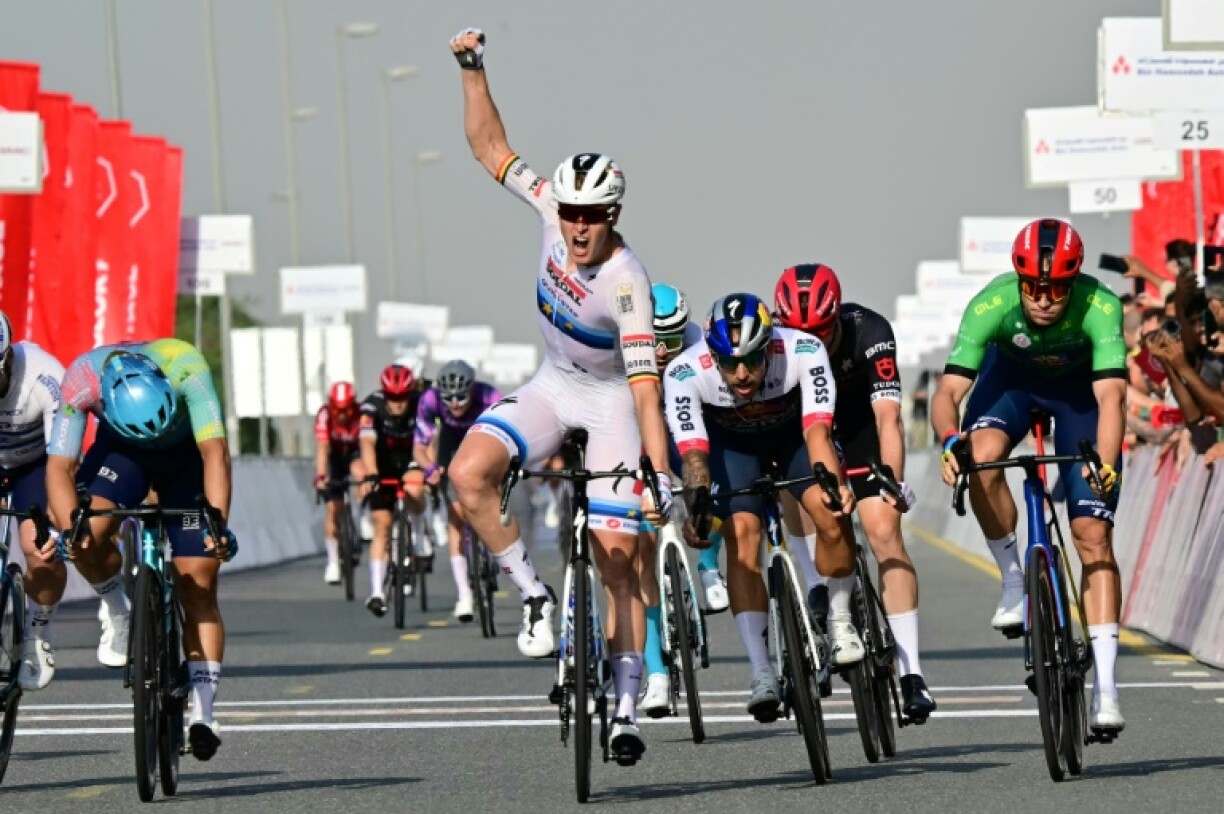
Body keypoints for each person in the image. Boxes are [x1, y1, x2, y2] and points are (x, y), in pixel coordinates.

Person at [445, 27, 674, 763]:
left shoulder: (628, 285)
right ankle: (534, 596)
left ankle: (630, 703)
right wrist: (472, 69)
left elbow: (645, 390)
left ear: (613, 215)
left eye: (592, 216)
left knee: (616, 556)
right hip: (551, 385)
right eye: (570, 213)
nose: (576, 227)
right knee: (466, 474)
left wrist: (657, 473)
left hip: (610, 404)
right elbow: (488, 148)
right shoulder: (549, 205)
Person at [930, 218, 1128, 733]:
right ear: (1018, 280)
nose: (1043, 299)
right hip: (1011, 385)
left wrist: (1103, 465)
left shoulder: (1102, 307)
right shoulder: (990, 305)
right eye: (1034, 288)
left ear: (1073, 281)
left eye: (1056, 288)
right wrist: (951, 441)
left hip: (1078, 395)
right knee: (982, 455)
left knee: (1093, 539)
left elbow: (1112, 399)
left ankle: (1106, 688)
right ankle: (1014, 578)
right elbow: (947, 393)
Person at [664, 293, 858, 724]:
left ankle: (841, 617)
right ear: (712, 355)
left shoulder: (802, 351)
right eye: (729, 363)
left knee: (829, 513)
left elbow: (818, 433)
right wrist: (697, 508)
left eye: (752, 359)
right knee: (742, 537)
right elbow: (695, 457)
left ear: (770, 345)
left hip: (795, 438)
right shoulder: (684, 371)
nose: (742, 373)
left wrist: (834, 484)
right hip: (732, 449)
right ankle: (761, 670)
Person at [45, 338, 236, 760]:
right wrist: (67, 531)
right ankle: (118, 606)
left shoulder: (187, 367)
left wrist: (217, 525)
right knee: (86, 535)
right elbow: (60, 465)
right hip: (123, 453)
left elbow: (215, 452)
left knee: (198, 580)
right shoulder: (82, 379)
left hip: (186, 456)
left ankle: (204, 714)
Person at [773, 263, 936, 720]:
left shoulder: (870, 330)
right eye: (799, 332)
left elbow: (888, 418)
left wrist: (893, 482)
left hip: (861, 426)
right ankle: (816, 591)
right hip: (807, 430)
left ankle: (911, 672)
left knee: (884, 533)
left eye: (822, 332)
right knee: (801, 490)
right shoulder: (775, 341)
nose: (812, 342)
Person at [638, 284, 728, 718]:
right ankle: (655, 674)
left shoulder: (698, 344)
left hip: (683, 425)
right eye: (652, 341)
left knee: (710, 485)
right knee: (638, 549)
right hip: (637, 427)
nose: (660, 351)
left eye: (670, 342)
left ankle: (710, 568)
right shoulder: (624, 349)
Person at [0, 313, 66, 691]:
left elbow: (62, 459)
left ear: (7, 359)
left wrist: (54, 520)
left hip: (35, 464)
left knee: (39, 550)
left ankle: (38, 632)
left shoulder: (44, 376)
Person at [413, 360, 502, 622]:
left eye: (461, 397)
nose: (455, 403)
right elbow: (420, 445)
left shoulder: (490, 396)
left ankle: (495, 545)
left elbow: (510, 434)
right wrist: (429, 468)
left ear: (472, 390)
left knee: (489, 500)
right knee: (456, 519)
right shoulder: (429, 400)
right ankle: (465, 595)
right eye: (449, 397)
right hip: (450, 445)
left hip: (483, 440)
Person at [359, 364, 427, 617]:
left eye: (403, 398)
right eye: (393, 398)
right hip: (382, 463)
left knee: (416, 489)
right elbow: (366, 443)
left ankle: (419, 535)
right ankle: (378, 592)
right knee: (382, 526)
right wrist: (372, 473)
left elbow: (431, 440)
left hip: (411, 457)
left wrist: (429, 471)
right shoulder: (371, 406)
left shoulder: (421, 404)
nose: (398, 404)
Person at [313, 381, 366, 585]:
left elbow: (368, 446)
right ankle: (333, 562)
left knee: (361, 472)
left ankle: (362, 519)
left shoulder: (362, 415)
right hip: (334, 456)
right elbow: (322, 448)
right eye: (338, 410)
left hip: (355, 453)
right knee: (333, 509)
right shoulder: (325, 416)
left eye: (346, 410)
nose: (342, 415)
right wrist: (320, 475)